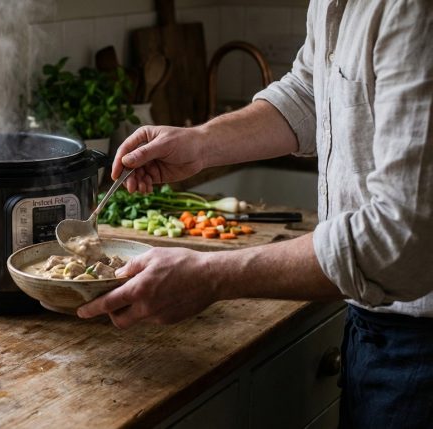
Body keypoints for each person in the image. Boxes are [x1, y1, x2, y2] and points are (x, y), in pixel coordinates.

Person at [76, 1, 433, 427]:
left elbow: (401, 240)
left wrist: (210, 276)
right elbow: (311, 91)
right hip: (371, 322)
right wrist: (200, 143)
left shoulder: (414, 10)